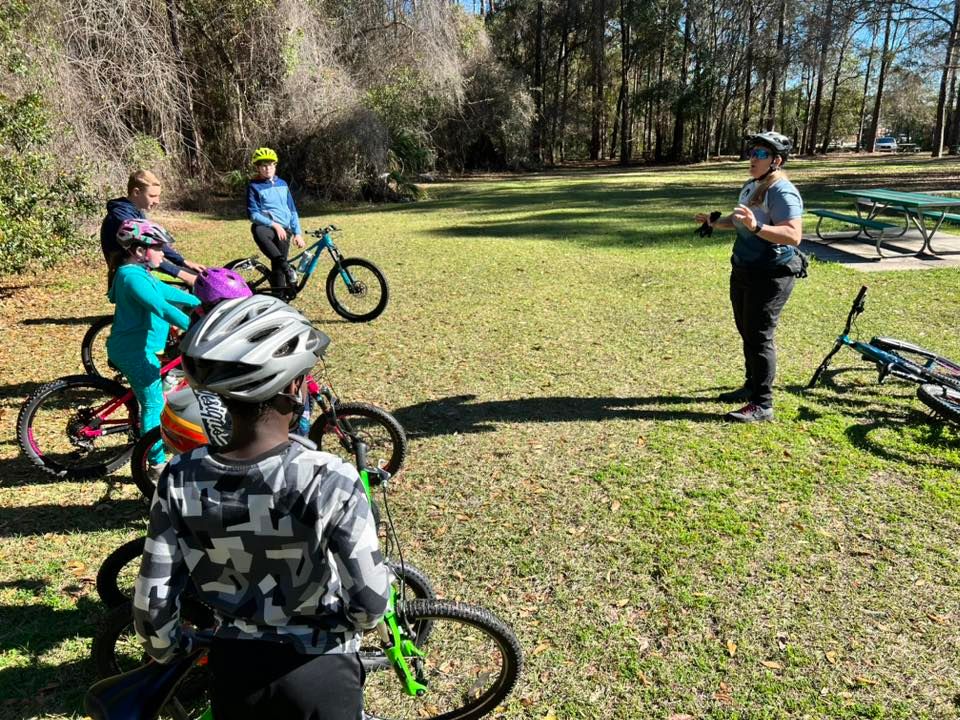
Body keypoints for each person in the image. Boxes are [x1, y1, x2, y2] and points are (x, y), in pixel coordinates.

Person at [133, 295, 391, 720]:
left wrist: (175, 647)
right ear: (292, 388)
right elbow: (370, 601)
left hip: (235, 669)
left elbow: (153, 605)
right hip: (321, 671)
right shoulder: (329, 478)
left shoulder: (179, 477)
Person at [694, 131, 805, 423]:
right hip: (744, 268)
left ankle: (762, 404)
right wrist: (715, 222)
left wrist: (757, 228)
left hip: (771, 273)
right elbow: (741, 221)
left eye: (760, 154)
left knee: (759, 336)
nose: (752, 159)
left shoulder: (781, 190)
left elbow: (793, 235)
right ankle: (750, 386)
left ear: (776, 160)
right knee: (746, 331)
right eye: (752, 153)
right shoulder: (751, 185)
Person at [107, 219, 200, 480]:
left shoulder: (139, 273)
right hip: (134, 352)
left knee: (155, 397)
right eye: (158, 248)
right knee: (153, 404)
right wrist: (196, 325)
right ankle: (156, 466)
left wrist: (205, 302)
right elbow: (161, 307)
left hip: (138, 349)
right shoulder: (130, 277)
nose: (163, 252)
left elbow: (169, 293)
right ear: (139, 251)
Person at [100, 170, 206, 286]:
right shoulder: (122, 219)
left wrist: (182, 262)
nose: (157, 201)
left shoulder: (135, 212)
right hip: (128, 280)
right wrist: (183, 274)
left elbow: (155, 244)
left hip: (138, 274)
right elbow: (148, 254)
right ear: (136, 192)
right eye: (152, 196)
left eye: (158, 196)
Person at [247, 147, 305, 294]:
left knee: (277, 265)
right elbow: (253, 215)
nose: (267, 169)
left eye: (270, 165)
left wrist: (297, 233)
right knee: (257, 229)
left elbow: (292, 210)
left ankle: (280, 298)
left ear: (275, 165)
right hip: (268, 228)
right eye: (263, 166)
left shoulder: (283, 184)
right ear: (258, 168)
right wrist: (274, 225)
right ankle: (288, 269)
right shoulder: (254, 186)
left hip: (285, 231)